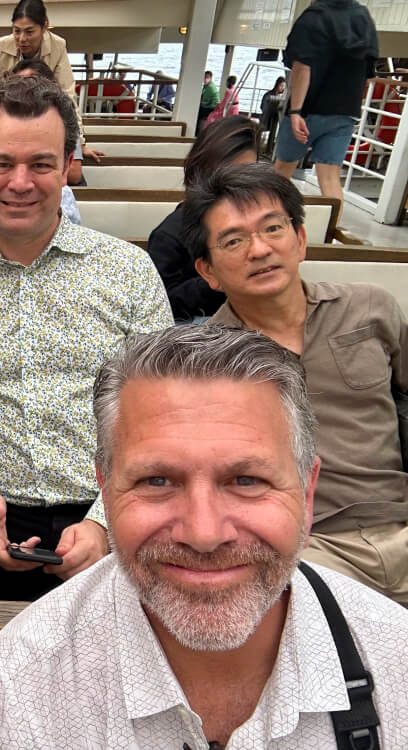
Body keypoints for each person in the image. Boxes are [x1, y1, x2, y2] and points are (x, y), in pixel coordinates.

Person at [0, 324, 408, 749]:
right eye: (157, 481)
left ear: (307, 494)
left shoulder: (397, 660)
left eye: (247, 480)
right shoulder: (20, 681)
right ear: (107, 492)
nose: (204, 534)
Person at [0, 76, 173, 601]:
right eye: (2, 163)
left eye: (40, 164)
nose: (20, 182)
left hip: (117, 521)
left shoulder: (128, 272)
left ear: (65, 167)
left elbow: (162, 409)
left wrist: (105, 522)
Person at [183, 162, 408, 604]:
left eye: (272, 229)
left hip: (398, 518)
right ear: (208, 271)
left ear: (300, 240)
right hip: (304, 548)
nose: (259, 249)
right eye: (233, 240)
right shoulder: (206, 361)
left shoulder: (371, 308)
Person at [146, 115, 259, 322]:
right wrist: (219, 277)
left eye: (249, 174)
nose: (240, 184)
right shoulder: (169, 235)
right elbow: (159, 305)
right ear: (202, 172)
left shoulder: (258, 225)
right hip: (194, 329)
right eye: (229, 174)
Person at [0, 0, 102, 182]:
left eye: (29, 32)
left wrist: (79, 144)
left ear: (44, 26)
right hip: (6, 122)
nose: (22, 39)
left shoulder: (58, 46)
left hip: (43, 122)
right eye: (16, 31)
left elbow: (68, 98)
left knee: (74, 177)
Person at [274, 0, 378, 210]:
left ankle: (271, 226)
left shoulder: (314, 17)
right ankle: (330, 234)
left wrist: (295, 111)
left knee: (281, 173)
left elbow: (302, 67)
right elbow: (367, 74)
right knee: (330, 178)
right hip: (345, 113)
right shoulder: (363, 17)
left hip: (308, 110)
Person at [260, 76, 287, 156]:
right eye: (281, 86)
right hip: (267, 117)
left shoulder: (281, 96)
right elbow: (263, 106)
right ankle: (263, 149)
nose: (282, 88)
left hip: (275, 118)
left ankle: (269, 149)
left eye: (284, 87)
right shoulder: (269, 95)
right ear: (277, 85)